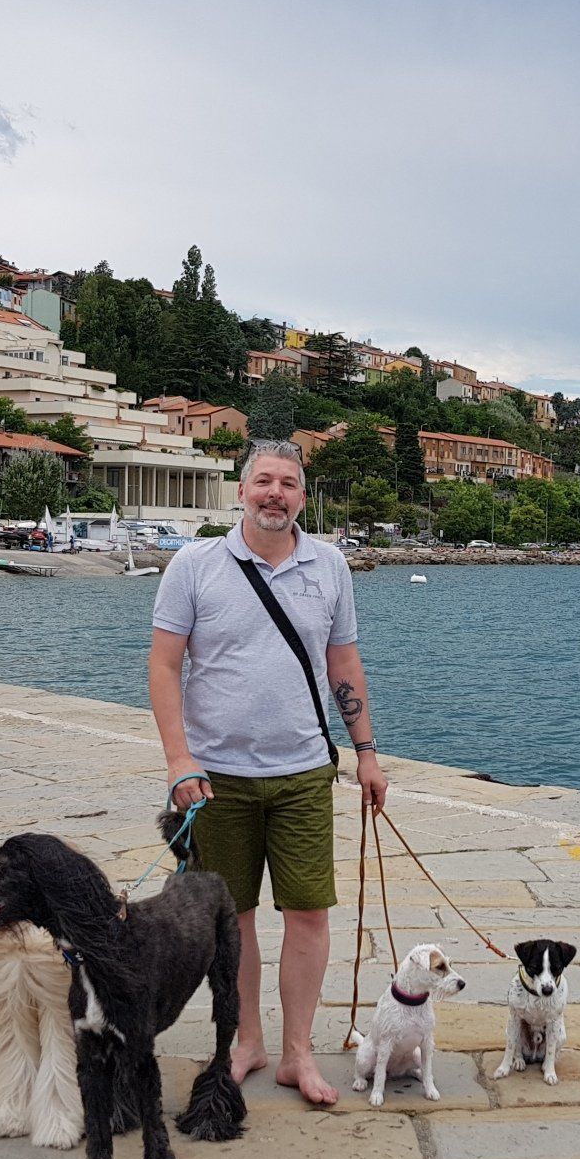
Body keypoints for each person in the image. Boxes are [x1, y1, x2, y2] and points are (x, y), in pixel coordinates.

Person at [148, 438, 387, 1105]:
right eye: (263, 481)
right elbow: (164, 665)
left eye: (288, 483)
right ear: (241, 490)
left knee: (309, 913)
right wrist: (178, 761)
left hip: (304, 771)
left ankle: (298, 1053)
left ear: (303, 497)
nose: (275, 494)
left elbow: (343, 663)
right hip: (215, 777)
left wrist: (367, 752)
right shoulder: (194, 565)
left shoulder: (330, 566)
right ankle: (246, 1041)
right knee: (234, 918)